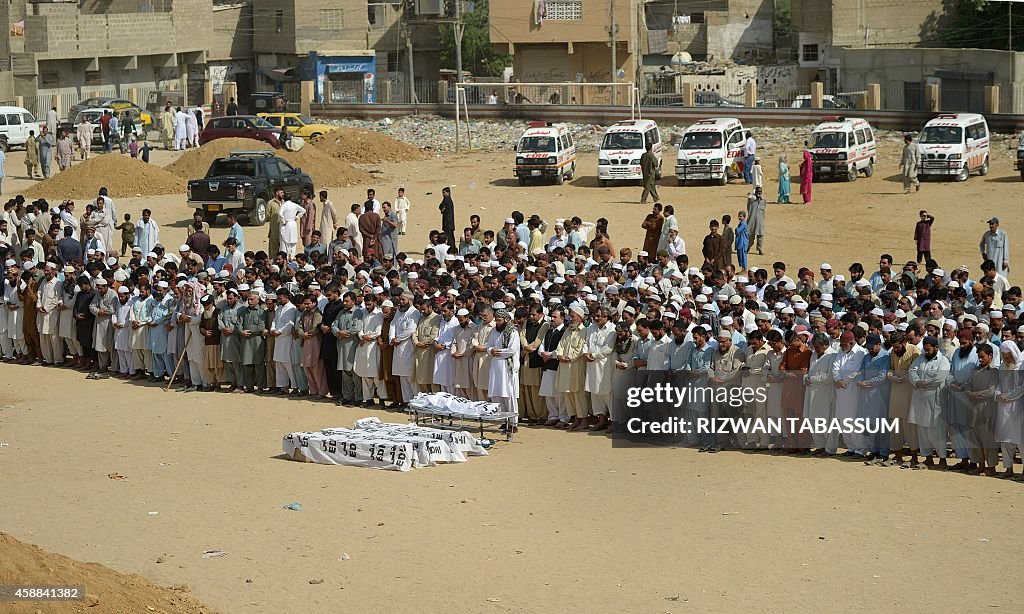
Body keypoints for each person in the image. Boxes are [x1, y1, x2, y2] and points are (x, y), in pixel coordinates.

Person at [746, 185, 766, 257]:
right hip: (752, 220)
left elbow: (763, 206)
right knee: (750, 235)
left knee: (760, 235)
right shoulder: (751, 198)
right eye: (758, 192)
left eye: (760, 192)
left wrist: (760, 198)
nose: (759, 193)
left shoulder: (763, 199)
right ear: (755, 192)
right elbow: (750, 201)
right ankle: (747, 248)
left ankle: (760, 249)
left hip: (760, 220)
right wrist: (756, 198)